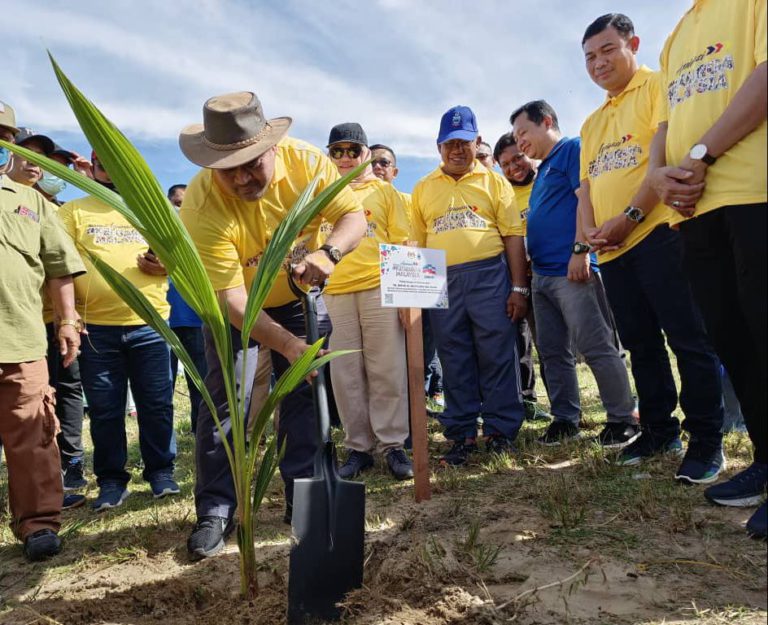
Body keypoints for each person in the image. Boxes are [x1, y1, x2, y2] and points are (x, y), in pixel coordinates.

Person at [178, 91, 366, 559]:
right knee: (229, 402)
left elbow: (352, 215)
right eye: (229, 170)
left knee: (301, 395)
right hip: (236, 310)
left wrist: (329, 252)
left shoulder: (308, 164)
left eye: (252, 165)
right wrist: (286, 344)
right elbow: (234, 301)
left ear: (272, 149)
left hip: (296, 298)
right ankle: (217, 508)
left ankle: (304, 494)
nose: (242, 179)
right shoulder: (201, 204)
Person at [579, 13, 725, 482]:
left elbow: (658, 161)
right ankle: (659, 430)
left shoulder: (658, 85)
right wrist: (590, 234)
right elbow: (587, 187)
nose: (598, 63)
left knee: (688, 337)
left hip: (658, 234)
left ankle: (707, 438)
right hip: (612, 252)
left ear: (633, 44)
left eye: (607, 50)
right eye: (589, 57)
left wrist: (629, 218)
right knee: (640, 344)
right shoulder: (591, 123)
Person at [647, 0, 766, 537]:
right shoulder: (676, 36)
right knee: (732, 339)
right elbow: (664, 125)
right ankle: (764, 458)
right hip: (694, 210)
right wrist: (657, 176)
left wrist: (701, 154)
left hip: (754, 191)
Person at [510, 100, 637, 447]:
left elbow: (586, 197)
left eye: (523, 132)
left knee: (596, 345)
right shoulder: (543, 170)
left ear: (546, 121)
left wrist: (581, 250)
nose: (520, 142)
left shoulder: (571, 150)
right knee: (552, 353)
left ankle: (622, 419)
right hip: (542, 276)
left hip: (572, 270)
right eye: (516, 137)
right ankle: (565, 419)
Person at [58, 152, 179, 512]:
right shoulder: (74, 211)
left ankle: (161, 472)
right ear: (93, 163)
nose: (109, 167)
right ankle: (111, 481)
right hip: (96, 329)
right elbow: (60, 267)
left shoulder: (152, 208)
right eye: (102, 160)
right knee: (106, 410)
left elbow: (181, 254)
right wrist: (68, 318)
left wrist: (165, 265)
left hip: (151, 324)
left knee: (156, 404)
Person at [411, 105, 528, 466]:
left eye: (464, 142)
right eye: (450, 143)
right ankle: (460, 433)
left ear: (477, 142)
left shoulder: (495, 182)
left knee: (497, 352)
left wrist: (518, 288)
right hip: (441, 280)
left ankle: (500, 431)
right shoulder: (423, 188)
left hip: (489, 276)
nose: (457, 150)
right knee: (453, 356)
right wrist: (416, 298)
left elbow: (513, 235)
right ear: (439, 146)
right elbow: (417, 245)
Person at [0, 101, 86, 560]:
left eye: (4, 137)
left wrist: (68, 321)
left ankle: (38, 524)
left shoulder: (31, 201)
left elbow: (59, 266)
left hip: (20, 339)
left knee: (33, 433)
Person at [324, 123, 413, 480]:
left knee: (386, 369)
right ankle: (358, 448)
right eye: (337, 151)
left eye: (353, 150)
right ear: (329, 156)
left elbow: (403, 242)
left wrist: (405, 299)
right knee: (346, 374)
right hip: (336, 291)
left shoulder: (385, 192)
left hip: (379, 288)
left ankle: (393, 444)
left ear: (366, 155)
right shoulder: (322, 193)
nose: (345, 157)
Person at [370, 142, 444, 410]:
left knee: (422, 346)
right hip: (373, 287)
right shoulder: (354, 202)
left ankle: (419, 403)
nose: (377, 167)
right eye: (372, 162)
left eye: (384, 162)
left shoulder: (411, 202)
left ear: (395, 171)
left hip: (411, 281)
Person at [494, 132, 550, 421]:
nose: (513, 167)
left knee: (560, 343)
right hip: (520, 279)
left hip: (555, 270)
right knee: (530, 343)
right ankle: (532, 402)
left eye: (518, 158)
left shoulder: (548, 181)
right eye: (505, 164)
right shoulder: (503, 197)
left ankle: (617, 402)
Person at [165, 183, 207, 433]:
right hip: (163, 322)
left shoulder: (201, 236)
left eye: (186, 204)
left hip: (194, 320)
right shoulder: (157, 235)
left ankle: (199, 430)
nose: (182, 209)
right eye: (177, 204)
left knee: (200, 381)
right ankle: (164, 435)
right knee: (163, 384)